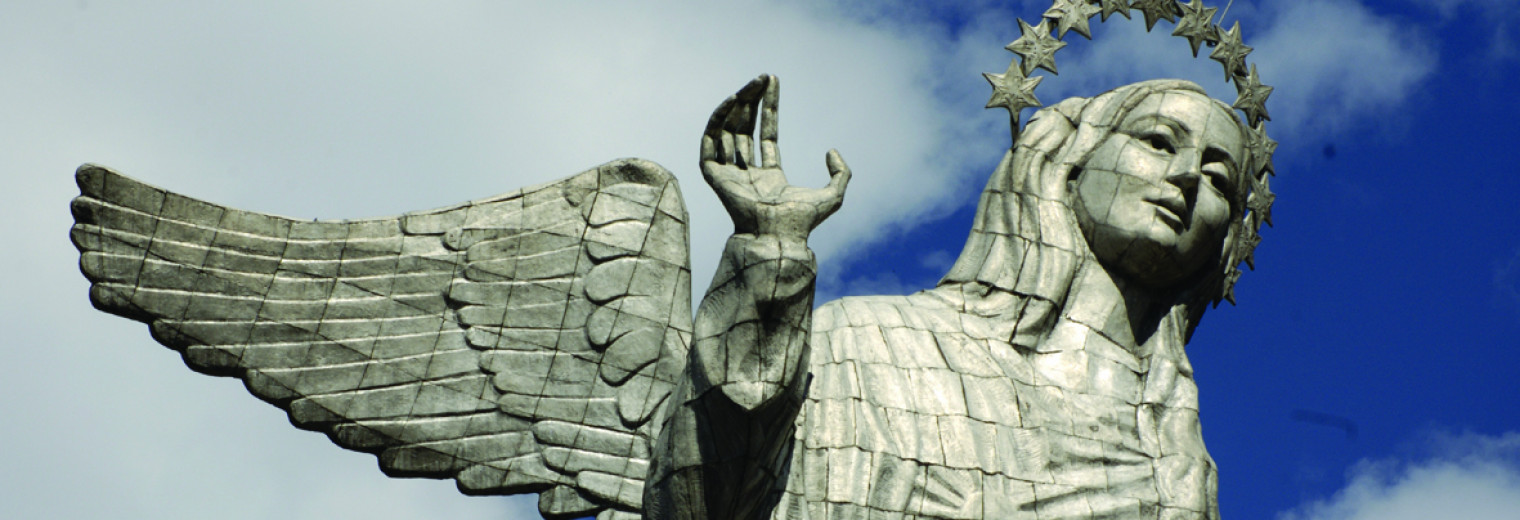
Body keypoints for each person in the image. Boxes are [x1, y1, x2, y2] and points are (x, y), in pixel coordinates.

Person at [645, 76, 1260, 520]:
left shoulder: (1176, 456)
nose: (1186, 177)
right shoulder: (868, 341)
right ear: (1068, 162)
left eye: (1218, 178)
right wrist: (768, 253)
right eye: (1158, 142)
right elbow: (697, 504)